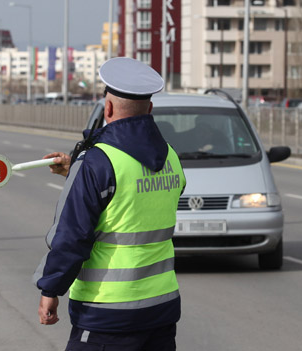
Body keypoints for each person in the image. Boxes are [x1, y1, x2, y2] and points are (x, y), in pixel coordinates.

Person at [33, 57, 186, 351]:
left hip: (106, 313)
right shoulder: (171, 158)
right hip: (161, 307)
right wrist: (76, 172)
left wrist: (50, 288)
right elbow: (135, 200)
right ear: (150, 109)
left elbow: (72, 238)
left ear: (109, 109)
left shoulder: (95, 164)